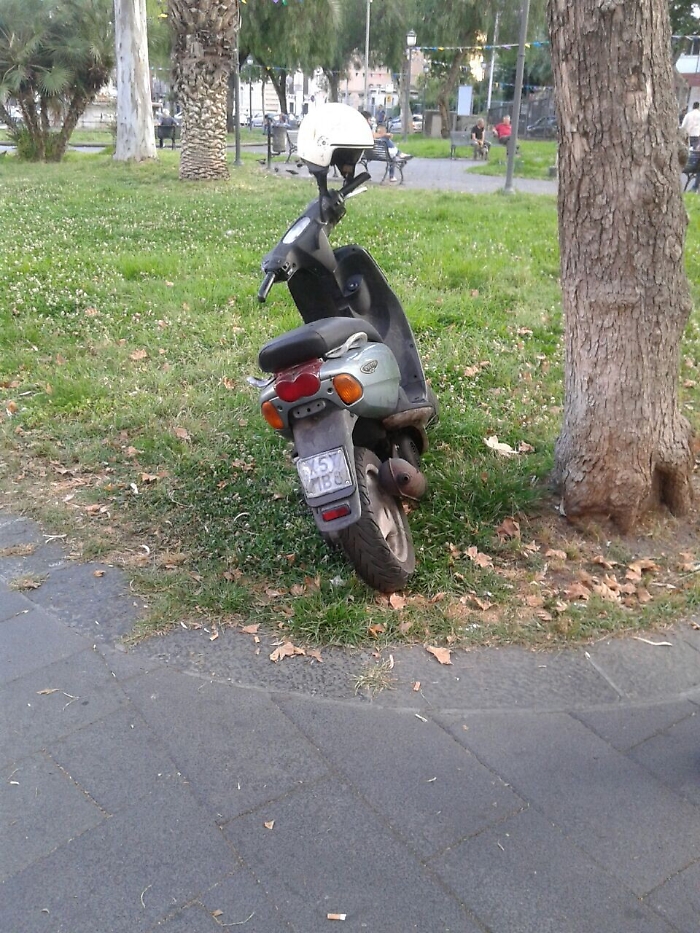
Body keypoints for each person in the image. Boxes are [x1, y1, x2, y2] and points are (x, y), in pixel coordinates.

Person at [361, 111, 412, 184]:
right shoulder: (365, 128)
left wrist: (382, 135)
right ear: (365, 119)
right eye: (369, 120)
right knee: (387, 145)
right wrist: (384, 135)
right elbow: (372, 136)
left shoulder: (359, 128)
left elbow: (372, 136)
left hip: (367, 153)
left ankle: (399, 153)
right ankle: (392, 174)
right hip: (374, 153)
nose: (370, 122)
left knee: (388, 146)